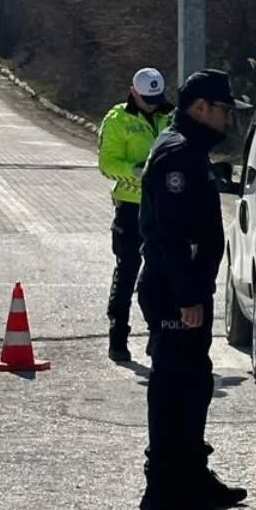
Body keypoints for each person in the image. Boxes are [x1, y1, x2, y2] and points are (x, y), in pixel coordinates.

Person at [137, 69, 247, 510]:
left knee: (194, 382)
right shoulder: (178, 155)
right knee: (174, 385)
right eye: (223, 110)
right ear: (200, 107)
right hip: (172, 292)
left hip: (185, 290)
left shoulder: (190, 150)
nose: (227, 119)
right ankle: (165, 485)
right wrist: (186, 298)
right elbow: (169, 235)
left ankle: (192, 473)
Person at [97, 66, 173, 364]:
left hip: (164, 207)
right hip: (130, 206)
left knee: (163, 272)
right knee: (127, 270)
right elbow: (106, 163)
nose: (152, 104)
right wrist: (135, 172)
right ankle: (118, 336)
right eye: (146, 99)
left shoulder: (170, 115)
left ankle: (159, 333)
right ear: (133, 93)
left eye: (156, 98)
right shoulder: (117, 119)